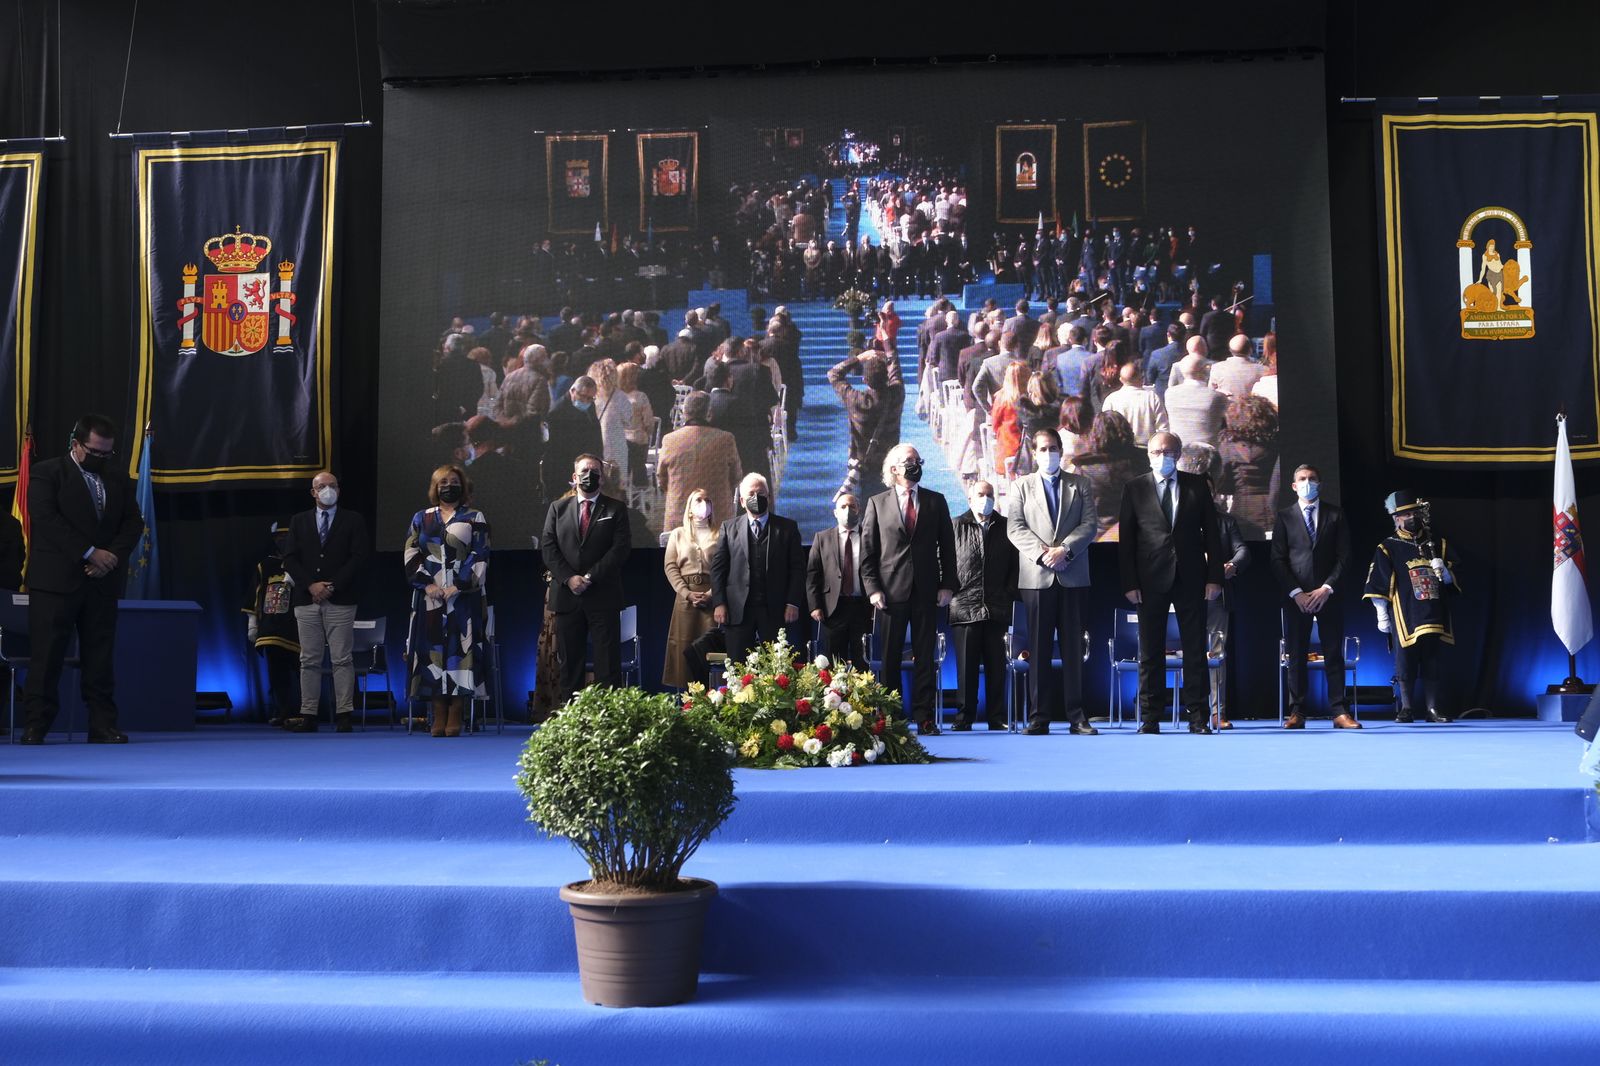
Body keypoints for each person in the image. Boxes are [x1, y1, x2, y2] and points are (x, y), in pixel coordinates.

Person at [17, 414, 144, 744]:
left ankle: (102, 724)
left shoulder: (117, 479)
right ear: (76, 445)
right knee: (47, 656)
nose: (101, 459)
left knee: (99, 657)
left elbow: (133, 523)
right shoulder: (48, 473)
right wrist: (89, 552)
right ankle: (36, 725)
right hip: (56, 582)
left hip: (101, 582)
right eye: (95, 452)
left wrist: (110, 556)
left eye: (107, 454)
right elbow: (46, 519)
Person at [1117, 431, 1224, 734]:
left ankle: (1198, 717)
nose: (1162, 457)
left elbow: (1212, 536)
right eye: (1156, 451)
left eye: (1168, 451)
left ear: (1178, 454)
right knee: (1150, 650)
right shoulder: (1134, 488)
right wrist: (1129, 582)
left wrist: (1215, 576)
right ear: (1148, 454)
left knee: (1194, 650)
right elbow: (1127, 540)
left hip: (1192, 577)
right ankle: (1150, 717)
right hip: (1149, 579)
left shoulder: (1197, 485)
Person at [1005, 429, 1099, 736]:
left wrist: (1065, 550)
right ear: (1034, 453)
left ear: (1061, 451)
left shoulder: (1081, 484)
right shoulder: (1020, 485)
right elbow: (1015, 528)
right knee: (1038, 648)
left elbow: (1090, 525)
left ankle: (1077, 716)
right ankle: (1038, 716)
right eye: (1043, 449)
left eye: (1054, 448)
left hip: (1072, 575)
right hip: (1037, 576)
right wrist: (1043, 555)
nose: (1049, 453)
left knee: (1073, 649)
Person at [861, 444, 958, 734]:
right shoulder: (877, 503)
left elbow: (948, 548)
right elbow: (868, 552)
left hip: (927, 590)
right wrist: (873, 589)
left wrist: (947, 585)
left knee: (925, 656)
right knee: (889, 657)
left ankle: (924, 717)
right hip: (889, 593)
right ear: (894, 469)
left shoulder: (936, 501)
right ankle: (890, 718)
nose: (915, 465)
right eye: (909, 461)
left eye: (918, 460)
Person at [402, 465, 489, 737]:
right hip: (429, 598)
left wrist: (460, 585)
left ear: (462, 486)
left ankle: (456, 710)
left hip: (463, 599)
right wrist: (427, 583)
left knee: (459, 651)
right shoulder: (421, 517)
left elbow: (481, 554)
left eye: (453, 482)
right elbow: (411, 552)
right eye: (442, 482)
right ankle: (437, 710)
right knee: (432, 653)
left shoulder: (474, 517)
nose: (447, 486)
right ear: (435, 487)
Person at [280, 470, 370, 733]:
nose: (327, 490)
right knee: (309, 659)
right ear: (313, 492)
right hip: (306, 600)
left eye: (332, 485)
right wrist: (311, 585)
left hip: (341, 599)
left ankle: (344, 713)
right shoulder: (299, 521)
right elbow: (290, 558)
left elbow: (358, 557)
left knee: (342, 658)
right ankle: (309, 714)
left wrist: (332, 586)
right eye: (322, 486)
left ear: (339, 491)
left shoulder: (353, 520)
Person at [542, 454, 631, 705]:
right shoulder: (557, 509)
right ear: (574, 477)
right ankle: (572, 719)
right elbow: (549, 548)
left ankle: (608, 720)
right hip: (567, 596)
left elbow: (620, 548)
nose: (589, 475)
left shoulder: (616, 508)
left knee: (607, 663)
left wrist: (590, 577)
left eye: (594, 471)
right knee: (570, 663)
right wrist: (570, 578)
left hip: (603, 595)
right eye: (584, 470)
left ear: (602, 478)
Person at [1270, 463, 1354, 729]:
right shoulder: (1284, 516)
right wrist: (1297, 593)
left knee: (1333, 654)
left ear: (1320, 483)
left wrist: (1326, 588)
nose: (1308, 482)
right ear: (1294, 486)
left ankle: (1339, 712)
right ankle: (1297, 712)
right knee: (1296, 655)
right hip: (1296, 598)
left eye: (1312, 478)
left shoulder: (1336, 515)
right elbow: (1277, 560)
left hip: (1328, 595)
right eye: (1302, 479)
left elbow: (1345, 557)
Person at [1363, 490, 1456, 724]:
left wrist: (1445, 571)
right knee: (1405, 659)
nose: (1411, 518)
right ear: (1396, 519)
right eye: (1405, 515)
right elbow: (1377, 581)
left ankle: (1433, 709)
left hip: (1434, 609)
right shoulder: (1387, 547)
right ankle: (1406, 707)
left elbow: (1457, 575)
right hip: (1404, 611)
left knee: (1432, 659)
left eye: (1414, 512)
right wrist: (1381, 613)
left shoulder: (1438, 544)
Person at [1177, 444, 1249, 729]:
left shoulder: (1225, 521)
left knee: (1217, 656)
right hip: (1184, 596)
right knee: (1187, 653)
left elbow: (1243, 551)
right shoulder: (1178, 521)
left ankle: (1218, 712)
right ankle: (1193, 709)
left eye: (1208, 490)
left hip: (1217, 598)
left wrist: (1231, 565)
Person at [710, 473, 805, 666]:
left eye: (761, 493)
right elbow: (718, 569)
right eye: (751, 494)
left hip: (775, 610)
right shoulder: (728, 528)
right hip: (738, 611)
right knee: (737, 668)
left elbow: (798, 569)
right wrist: (719, 603)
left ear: (769, 498)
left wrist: (793, 603)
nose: (756, 498)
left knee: (776, 668)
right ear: (743, 501)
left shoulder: (787, 528)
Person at [948, 481, 1017, 731]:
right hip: (965, 606)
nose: (985, 498)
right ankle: (964, 717)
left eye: (989, 494)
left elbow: (1015, 566)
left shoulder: (1007, 527)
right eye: (980, 494)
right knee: (965, 669)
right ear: (969, 499)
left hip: (998, 607)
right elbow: (942, 563)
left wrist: (1008, 592)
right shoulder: (954, 526)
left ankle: (996, 717)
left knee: (996, 666)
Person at [656, 391, 743, 534]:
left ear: (684, 412)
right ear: (709, 413)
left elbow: (661, 479)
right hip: (717, 520)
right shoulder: (726, 439)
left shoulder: (669, 440)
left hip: (679, 521)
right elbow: (736, 478)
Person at [244, 517, 300, 728]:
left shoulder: (302, 562)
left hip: (297, 625)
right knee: (276, 673)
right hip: (271, 627)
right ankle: (283, 710)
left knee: (303, 670)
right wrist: (252, 623)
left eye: (287, 536)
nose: (283, 541)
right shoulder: (265, 565)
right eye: (279, 537)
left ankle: (307, 711)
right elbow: (255, 596)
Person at [807, 491, 871, 670]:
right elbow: (813, 574)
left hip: (863, 607)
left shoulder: (870, 537)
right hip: (833, 608)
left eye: (852, 506)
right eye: (843, 507)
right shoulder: (822, 538)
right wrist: (815, 605)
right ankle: (835, 698)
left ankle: (862, 698)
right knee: (833, 663)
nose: (848, 510)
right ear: (835, 512)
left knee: (863, 661)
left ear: (859, 510)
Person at [661, 489, 717, 688]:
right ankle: (686, 704)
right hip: (686, 600)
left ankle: (712, 698)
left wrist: (712, 594)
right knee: (683, 648)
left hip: (712, 600)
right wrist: (686, 592)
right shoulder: (678, 534)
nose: (703, 503)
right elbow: (670, 566)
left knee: (709, 651)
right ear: (690, 508)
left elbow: (725, 568)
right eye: (699, 500)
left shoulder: (721, 533)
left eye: (707, 500)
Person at [829, 352, 905, 490]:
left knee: (861, 504)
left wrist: (859, 358)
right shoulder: (897, 395)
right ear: (887, 378)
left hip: (861, 462)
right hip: (890, 461)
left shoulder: (855, 399)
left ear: (864, 380)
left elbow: (833, 374)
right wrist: (889, 352)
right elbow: (896, 372)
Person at [1216, 395, 1280, 539]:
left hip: (1242, 510)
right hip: (1273, 510)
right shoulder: (1276, 444)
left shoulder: (1228, 447)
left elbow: (1224, 485)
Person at [543, 376, 604, 501]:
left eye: (590, 398)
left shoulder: (589, 406)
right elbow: (557, 449)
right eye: (583, 396)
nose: (586, 401)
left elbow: (594, 431)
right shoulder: (558, 412)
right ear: (572, 391)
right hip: (564, 470)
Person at [1165, 351, 1229, 448]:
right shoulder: (1217, 397)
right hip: (1209, 452)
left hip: (1178, 448)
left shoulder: (1169, 393)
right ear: (1205, 370)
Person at [616, 361, 655, 488]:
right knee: (638, 462)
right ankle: (640, 488)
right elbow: (649, 422)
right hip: (637, 441)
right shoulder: (640, 397)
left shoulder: (613, 398)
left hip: (618, 442)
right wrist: (647, 432)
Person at [1209, 334, 1264, 398]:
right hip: (1253, 407)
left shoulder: (1217, 368)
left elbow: (1210, 393)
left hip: (1227, 407)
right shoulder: (1262, 370)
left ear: (1230, 351)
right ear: (1250, 350)